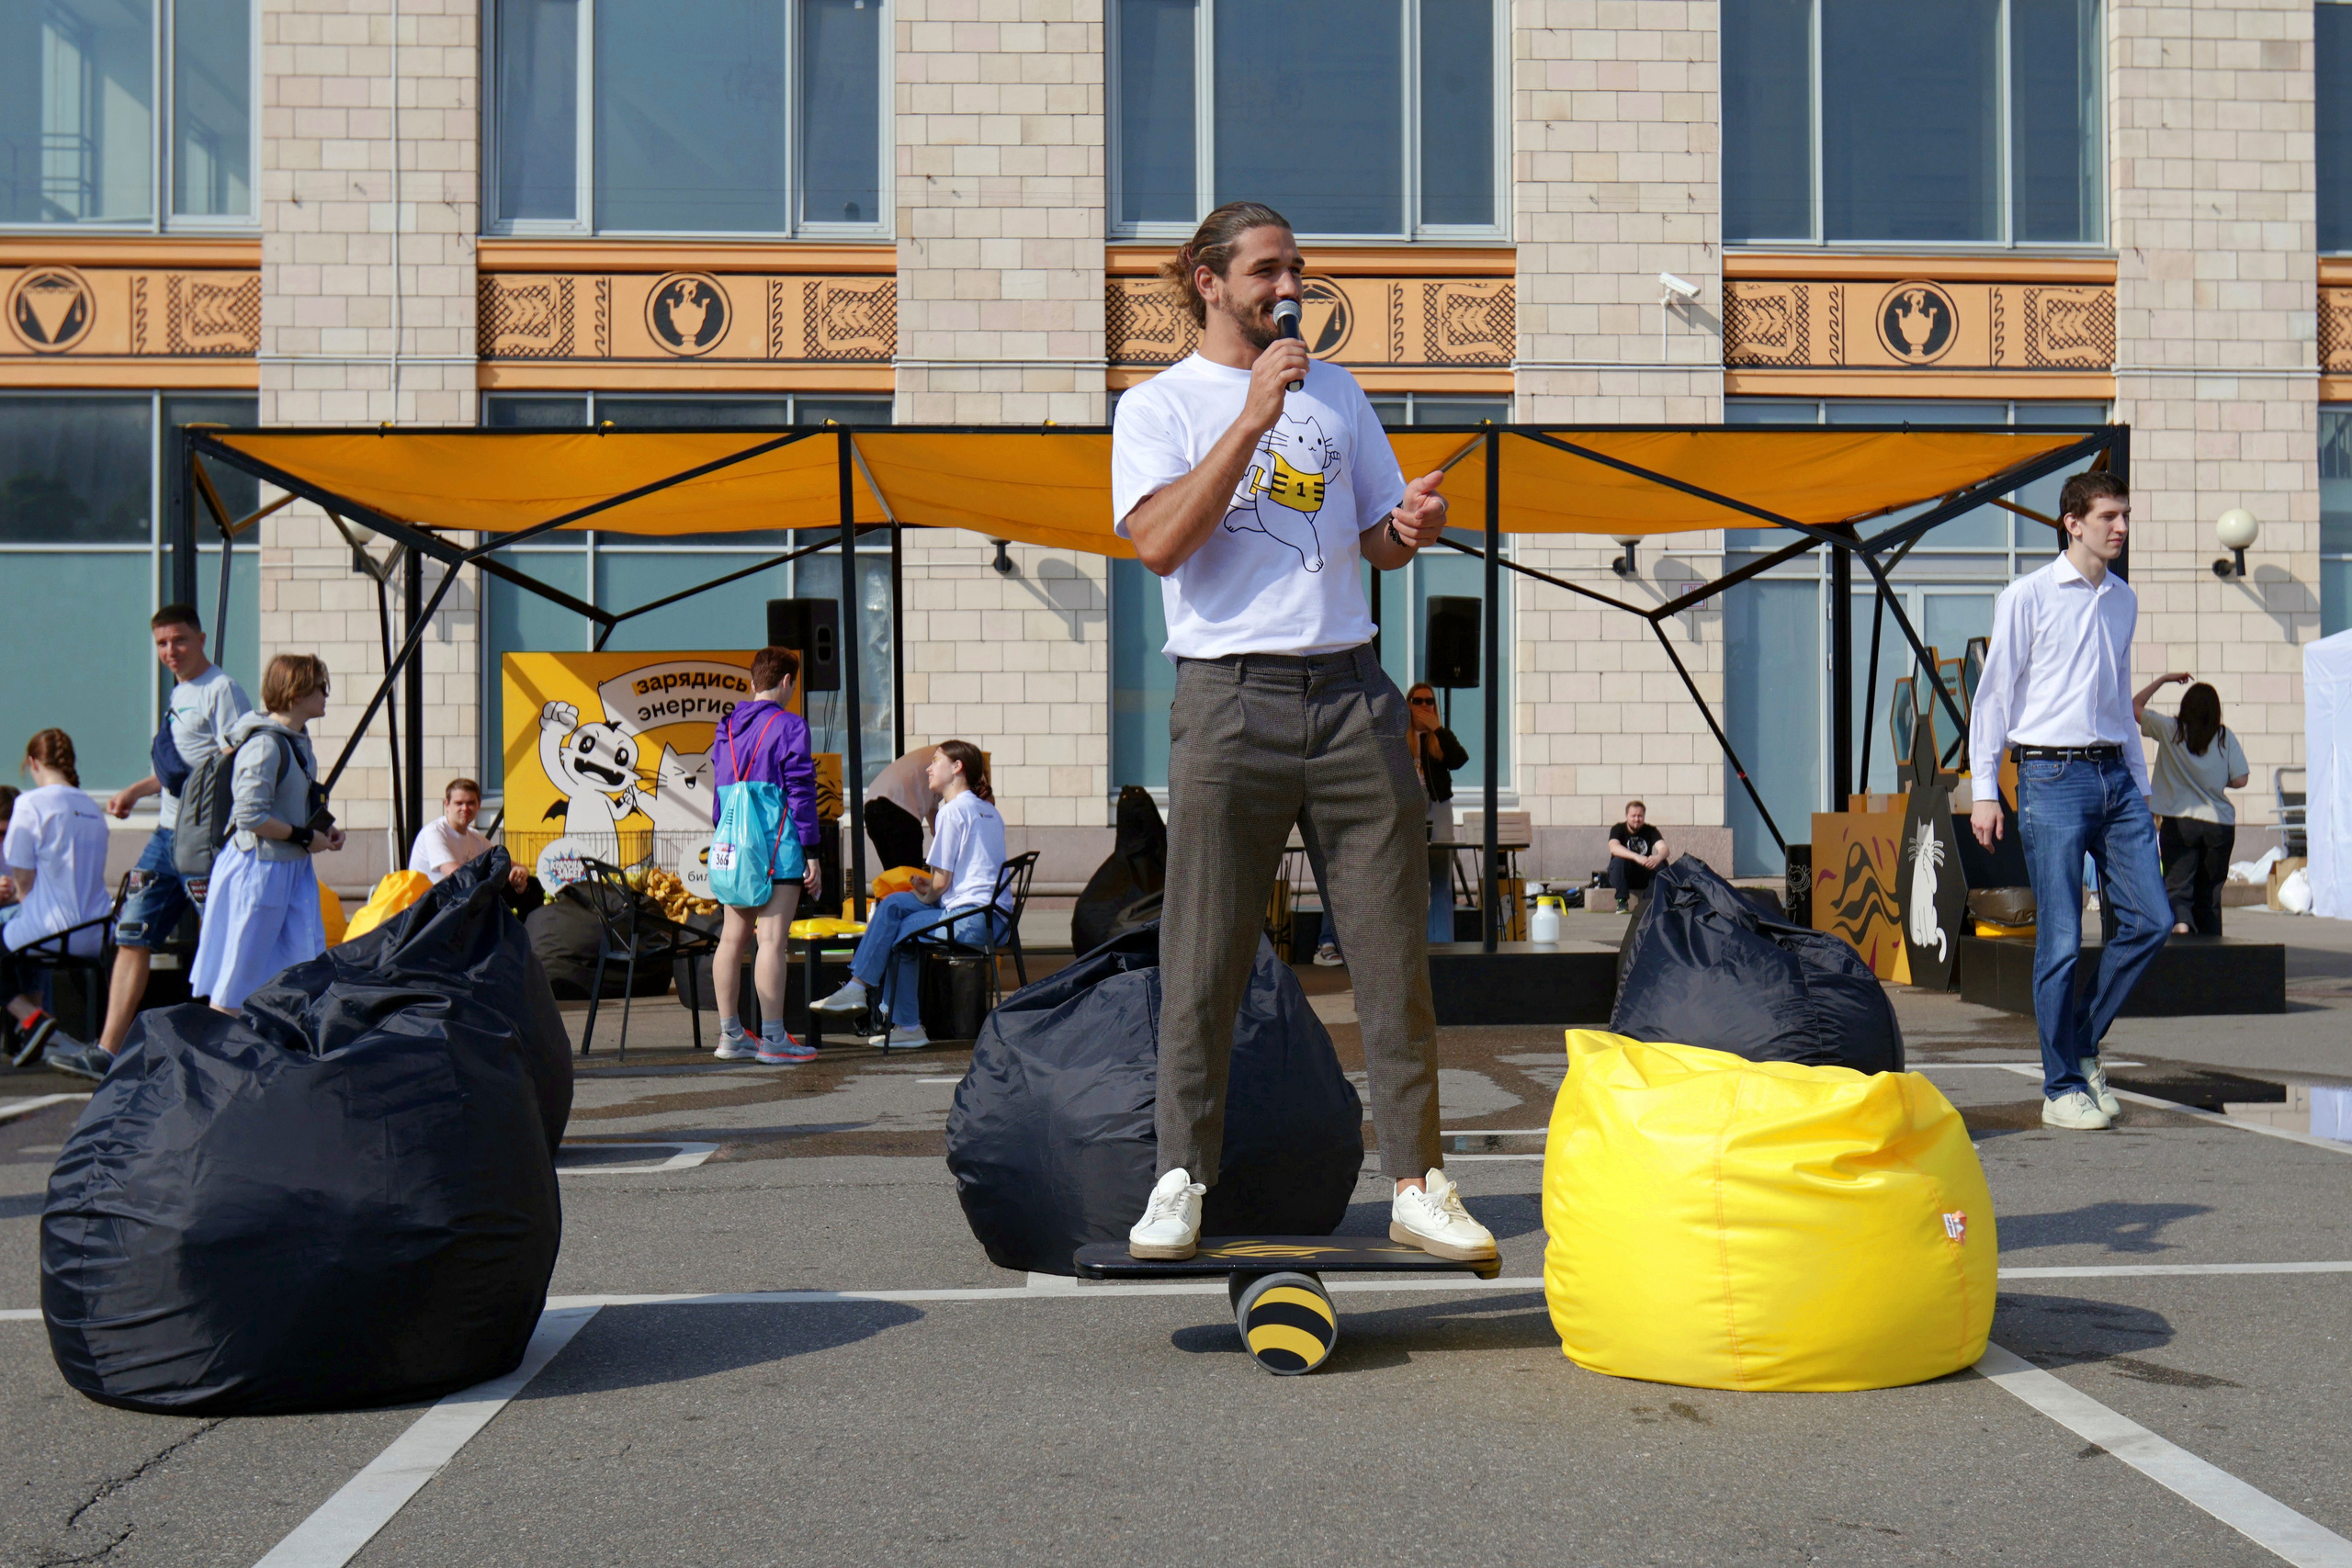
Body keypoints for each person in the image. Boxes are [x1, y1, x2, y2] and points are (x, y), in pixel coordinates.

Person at [1108, 202, 1496, 1264]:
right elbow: (1158, 545)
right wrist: (1248, 418)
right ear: (1207, 280)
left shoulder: (1338, 392)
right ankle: (1181, 1176)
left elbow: (1376, 541)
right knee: (1205, 955)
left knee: (1389, 958)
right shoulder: (1157, 406)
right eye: (1268, 270)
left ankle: (1416, 1181)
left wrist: (1409, 526)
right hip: (1227, 697)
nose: (1290, 287)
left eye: (1298, 270)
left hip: (1352, 693)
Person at [1969, 470, 2169, 1133]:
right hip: (2050, 778)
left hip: (2115, 777)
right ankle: (2060, 1086)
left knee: (2151, 919)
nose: (2122, 527)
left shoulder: (2123, 600)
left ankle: (2080, 1043)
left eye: (2126, 515)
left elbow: (2118, 696)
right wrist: (1984, 789)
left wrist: (2141, 789)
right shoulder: (2026, 596)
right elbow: (1994, 696)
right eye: (2110, 515)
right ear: (2072, 522)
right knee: (2060, 936)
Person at [96, 606, 253, 1059]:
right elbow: (182, 768)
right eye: (162, 643)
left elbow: (235, 763)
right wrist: (134, 790)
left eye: (179, 641)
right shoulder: (181, 691)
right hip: (165, 835)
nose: (170, 651)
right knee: (132, 932)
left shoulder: (221, 690)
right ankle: (106, 1050)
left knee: (219, 935)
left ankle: (228, 1042)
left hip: (201, 841)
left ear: (201, 639)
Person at [812, 740, 1010, 1050]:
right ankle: (863, 991)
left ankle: (894, 1014)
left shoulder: (953, 812)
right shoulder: (989, 812)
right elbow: (955, 878)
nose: (928, 768)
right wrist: (927, 890)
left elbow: (942, 884)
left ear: (957, 767)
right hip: (993, 918)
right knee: (893, 906)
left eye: (935, 761)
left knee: (900, 929)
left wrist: (929, 893)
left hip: (971, 920)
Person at [188, 655, 346, 1015]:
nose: (326, 694)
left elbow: (284, 803)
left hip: (285, 866)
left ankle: (254, 1054)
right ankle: (217, 1058)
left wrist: (322, 828)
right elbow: (249, 816)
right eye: (321, 686)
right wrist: (305, 837)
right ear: (296, 692)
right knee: (240, 970)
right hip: (259, 868)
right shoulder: (265, 744)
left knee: (298, 962)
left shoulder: (293, 741)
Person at [707, 647, 824, 1065]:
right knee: (772, 942)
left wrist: (727, 837)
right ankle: (774, 1038)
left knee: (731, 939)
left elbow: (721, 794)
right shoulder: (791, 725)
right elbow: (801, 792)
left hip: (734, 845)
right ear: (788, 681)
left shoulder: (726, 728)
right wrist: (811, 852)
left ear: (752, 681)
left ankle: (730, 1035)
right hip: (779, 844)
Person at [4, 732, 111, 1076]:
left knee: (19, 931)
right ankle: (34, 1030)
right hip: (96, 932)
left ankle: (32, 1018)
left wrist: (25, 900)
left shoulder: (32, 803)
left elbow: (23, 877)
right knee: (21, 933)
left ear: (33, 763)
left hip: (50, 929)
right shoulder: (91, 807)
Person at [2134, 674, 2249, 937]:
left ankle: (2181, 927)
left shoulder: (2169, 728)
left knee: (2178, 887)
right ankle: (2213, 955)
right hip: (2219, 824)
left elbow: (2135, 705)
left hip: (2179, 821)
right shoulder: (2224, 736)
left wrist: (2164, 679)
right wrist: (2215, 780)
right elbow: (2241, 779)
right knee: (2210, 894)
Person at [410, 777, 540, 915]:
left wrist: (519, 873)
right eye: (459, 803)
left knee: (531, 887)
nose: (465, 808)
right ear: (447, 804)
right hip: (434, 908)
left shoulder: (475, 837)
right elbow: (457, 876)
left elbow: (510, 864)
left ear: (479, 805)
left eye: (470, 803)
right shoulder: (434, 833)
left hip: (460, 903)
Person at [1409, 682, 1470, 944]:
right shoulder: (1399, 737)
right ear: (1408, 705)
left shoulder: (1439, 737)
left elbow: (1459, 760)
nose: (1424, 706)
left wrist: (1438, 729)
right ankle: (1413, 944)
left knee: (1441, 877)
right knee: (1412, 879)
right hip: (1410, 807)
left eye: (1429, 701)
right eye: (1418, 701)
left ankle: (1441, 943)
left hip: (1439, 806)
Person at [864, 744, 940, 875]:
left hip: (872, 804)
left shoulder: (932, 756)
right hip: (899, 805)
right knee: (910, 877)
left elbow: (932, 808)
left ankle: (895, 894)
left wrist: (937, 832)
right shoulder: (953, 760)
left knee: (893, 875)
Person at [1606, 800, 1668, 921]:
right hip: (1623, 875)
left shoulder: (1651, 830)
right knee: (1619, 861)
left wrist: (1658, 857)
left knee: (1662, 864)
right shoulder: (1618, 829)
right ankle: (1622, 901)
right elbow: (1614, 848)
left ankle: (1647, 902)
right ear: (1626, 816)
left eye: (1640, 816)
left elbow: (1664, 848)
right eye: (1633, 816)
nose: (1637, 819)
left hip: (1643, 875)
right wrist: (1636, 856)